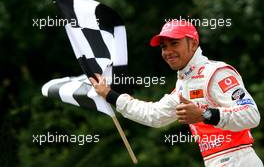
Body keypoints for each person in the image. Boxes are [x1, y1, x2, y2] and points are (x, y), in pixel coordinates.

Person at [89, 20, 263, 167]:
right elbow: (154, 115)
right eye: (164, 47)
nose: (167, 52)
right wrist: (110, 95)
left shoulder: (216, 72)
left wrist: (204, 114)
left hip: (240, 160)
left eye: (174, 43)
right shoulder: (183, 85)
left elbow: (251, 115)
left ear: (193, 43)